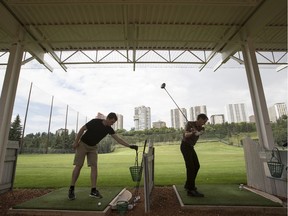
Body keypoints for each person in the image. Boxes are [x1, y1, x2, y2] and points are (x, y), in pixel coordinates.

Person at [68, 112, 138, 200]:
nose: (112, 124)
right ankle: (71, 188)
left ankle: (93, 190)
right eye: (112, 122)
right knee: (79, 166)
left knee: (94, 166)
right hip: (83, 144)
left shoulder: (109, 129)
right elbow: (82, 129)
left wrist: (130, 146)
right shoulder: (95, 121)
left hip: (93, 147)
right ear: (108, 118)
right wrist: (76, 141)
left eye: (114, 122)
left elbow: (118, 139)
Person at [180, 113, 208, 197]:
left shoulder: (202, 128)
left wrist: (197, 132)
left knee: (197, 166)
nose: (204, 123)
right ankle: (190, 190)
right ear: (199, 119)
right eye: (204, 121)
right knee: (191, 167)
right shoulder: (189, 124)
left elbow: (200, 132)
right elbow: (186, 135)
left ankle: (188, 185)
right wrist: (192, 132)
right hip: (185, 146)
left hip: (191, 147)